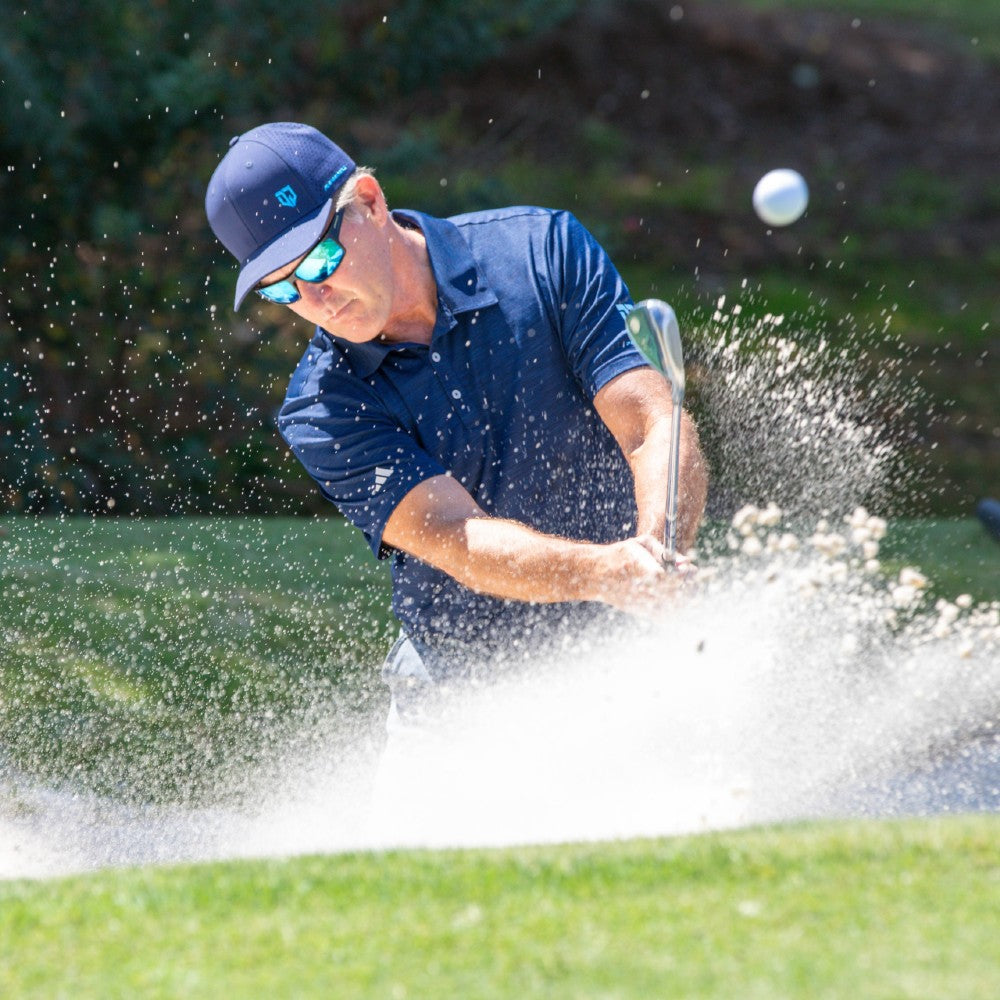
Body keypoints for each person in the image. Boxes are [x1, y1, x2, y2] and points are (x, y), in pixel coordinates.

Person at [205, 121, 708, 725]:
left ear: (368, 200)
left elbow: (652, 422)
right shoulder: (322, 407)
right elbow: (455, 535)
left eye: (320, 261)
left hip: (632, 637)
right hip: (456, 693)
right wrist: (609, 573)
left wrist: (657, 558)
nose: (318, 300)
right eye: (282, 289)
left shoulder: (541, 251)